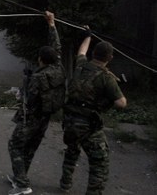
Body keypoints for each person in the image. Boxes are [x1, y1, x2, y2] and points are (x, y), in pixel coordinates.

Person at [59, 28, 127, 194]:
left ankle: (65, 184)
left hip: (69, 121)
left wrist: (88, 36)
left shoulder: (80, 66)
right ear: (110, 58)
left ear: (93, 53)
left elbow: (81, 51)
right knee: (99, 163)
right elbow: (121, 103)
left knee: (72, 152)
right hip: (88, 125)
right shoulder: (107, 77)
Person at [7, 11, 66, 195]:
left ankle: (23, 185)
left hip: (32, 117)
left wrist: (20, 93)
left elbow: (28, 100)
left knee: (15, 145)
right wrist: (52, 24)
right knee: (30, 148)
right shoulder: (59, 67)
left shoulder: (39, 77)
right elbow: (56, 46)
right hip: (46, 117)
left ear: (41, 59)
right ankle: (20, 176)